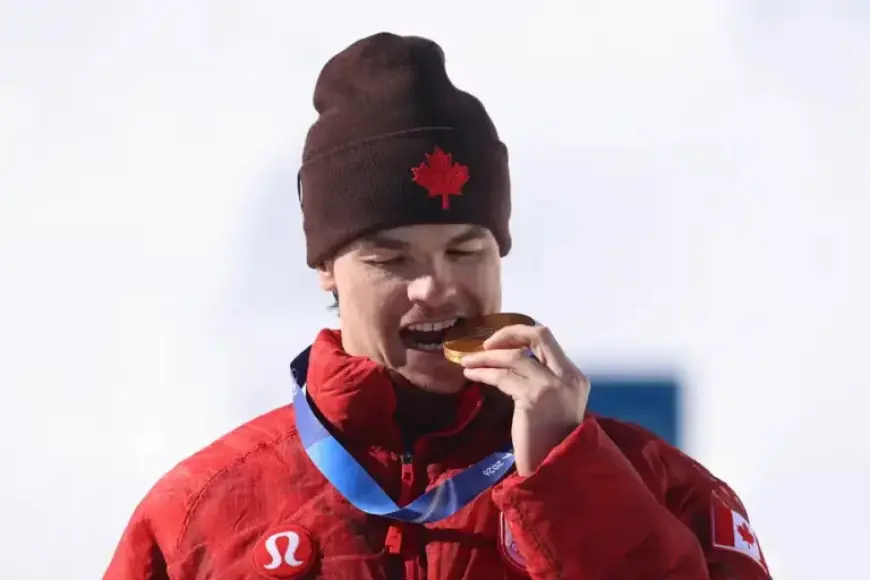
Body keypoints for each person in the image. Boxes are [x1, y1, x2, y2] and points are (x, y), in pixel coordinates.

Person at [105, 32, 772, 580]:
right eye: (392, 260)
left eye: (464, 250)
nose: (434, 287)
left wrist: (571, 481)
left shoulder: (660, 487)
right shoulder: (199, 513)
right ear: (324, 269)